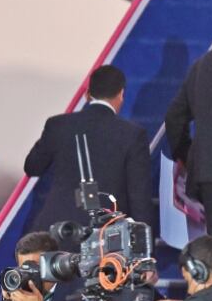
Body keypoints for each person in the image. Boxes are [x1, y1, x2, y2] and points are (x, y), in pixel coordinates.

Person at [25, 64, 154, 233]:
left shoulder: (57, 125)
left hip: (58, 233)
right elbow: (139, 197)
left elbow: (32, 167)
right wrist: (145, 244)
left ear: (87, 95)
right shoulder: (133, 135)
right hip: (106, 236)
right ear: (121, 94)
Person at [165, 44, 212, 240]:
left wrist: (184, 156)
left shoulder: (202, 65)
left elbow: (174, 117)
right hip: (210, 171)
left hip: (210, 173)